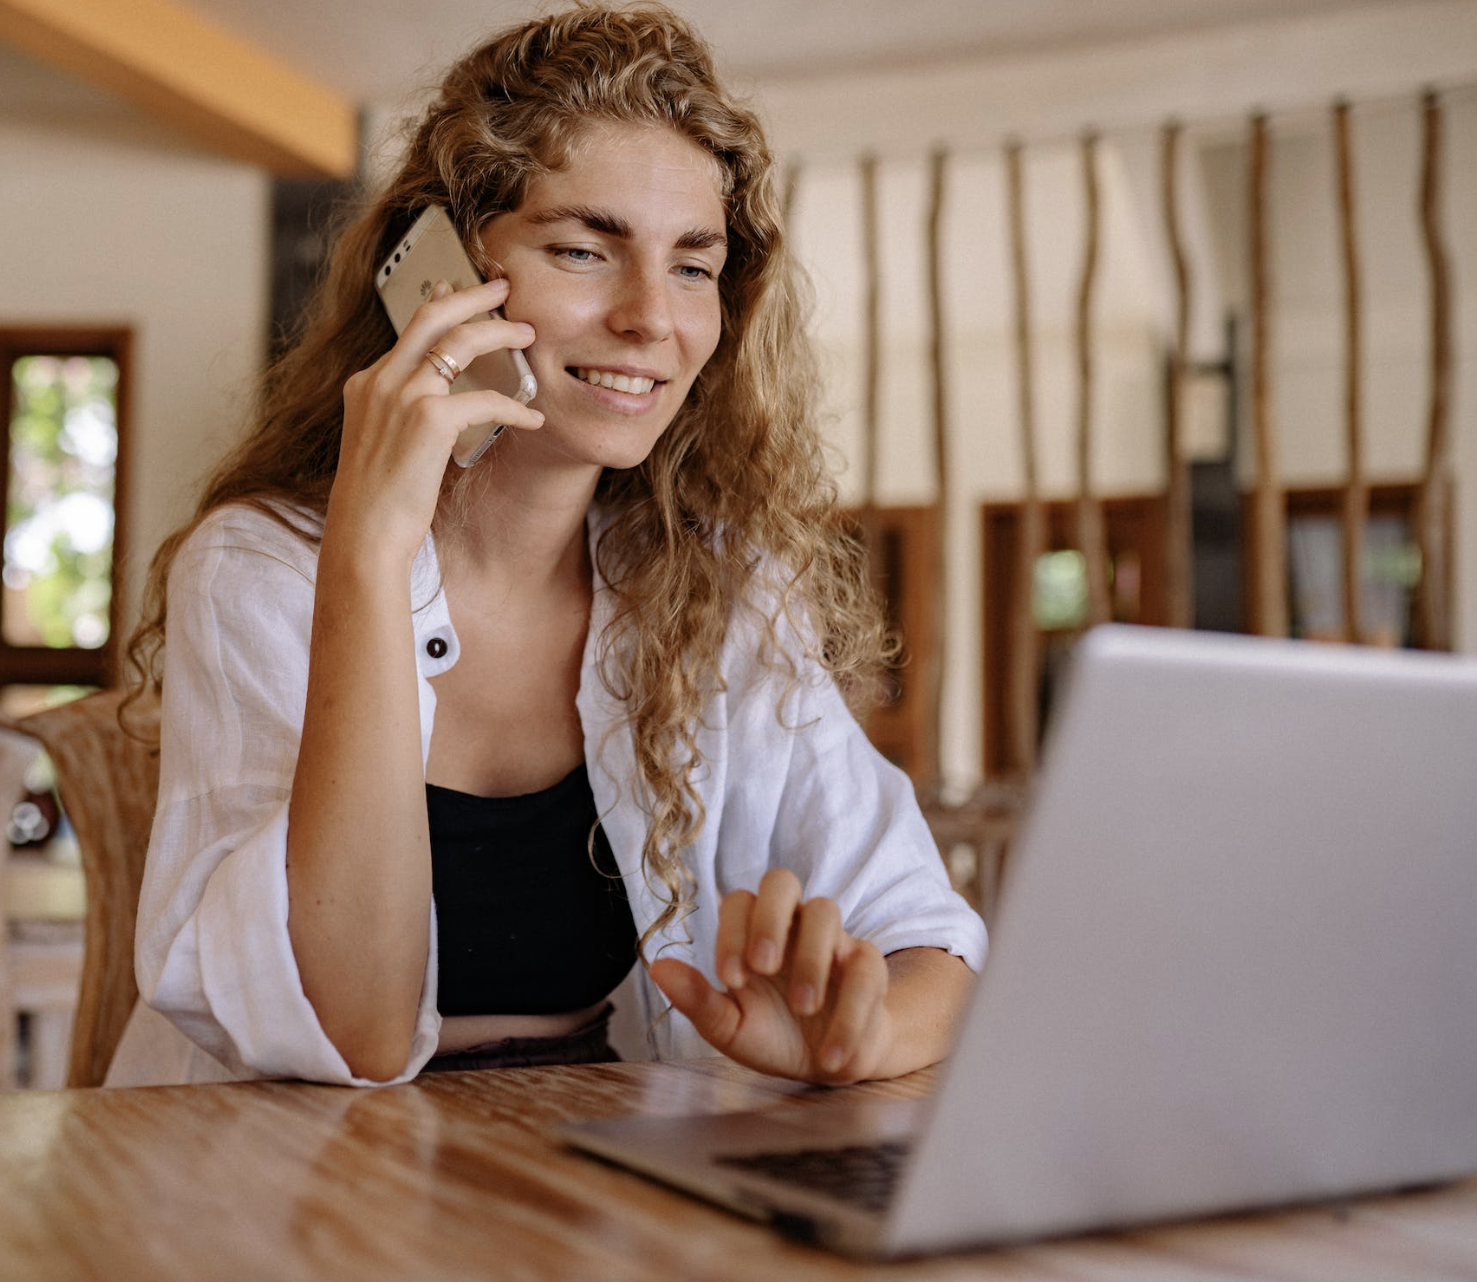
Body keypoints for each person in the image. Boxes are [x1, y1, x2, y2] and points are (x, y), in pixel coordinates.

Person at [105, 2, 987, 1089]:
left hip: (581, 1160)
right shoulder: (261, 569)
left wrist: (861, 1035)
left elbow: (930, 941)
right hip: (278, 1179)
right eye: (582, 249)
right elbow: (360, 1032)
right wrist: (371, 557)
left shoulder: (717, 583)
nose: (649, 318)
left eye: (693, 268)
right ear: (435, 276)